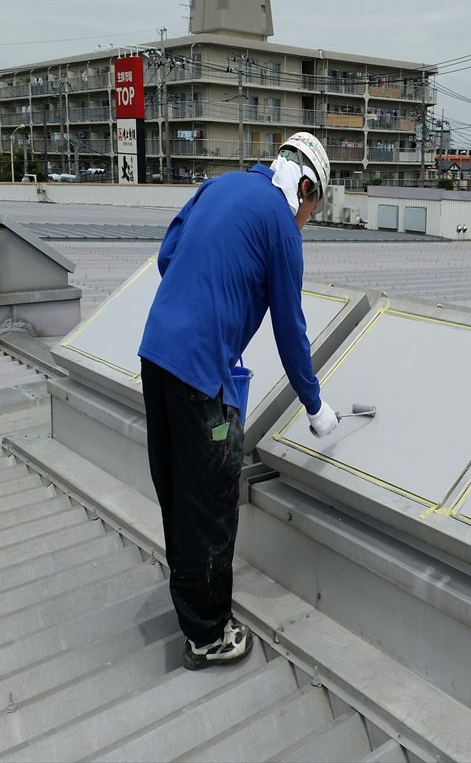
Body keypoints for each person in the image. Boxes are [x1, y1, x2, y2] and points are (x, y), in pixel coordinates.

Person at [138, 132, 339, 670]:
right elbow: (290, 329)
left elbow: (168, 255)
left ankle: (191, 607)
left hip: (156, 353)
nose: (306, 221)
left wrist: (205, 302)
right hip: (200, 374)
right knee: (210, 500)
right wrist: (315, 407)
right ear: (304, 186)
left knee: (179, 494)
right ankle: (207, 635)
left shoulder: (219, 185)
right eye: (312, 210)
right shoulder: (280, 225)